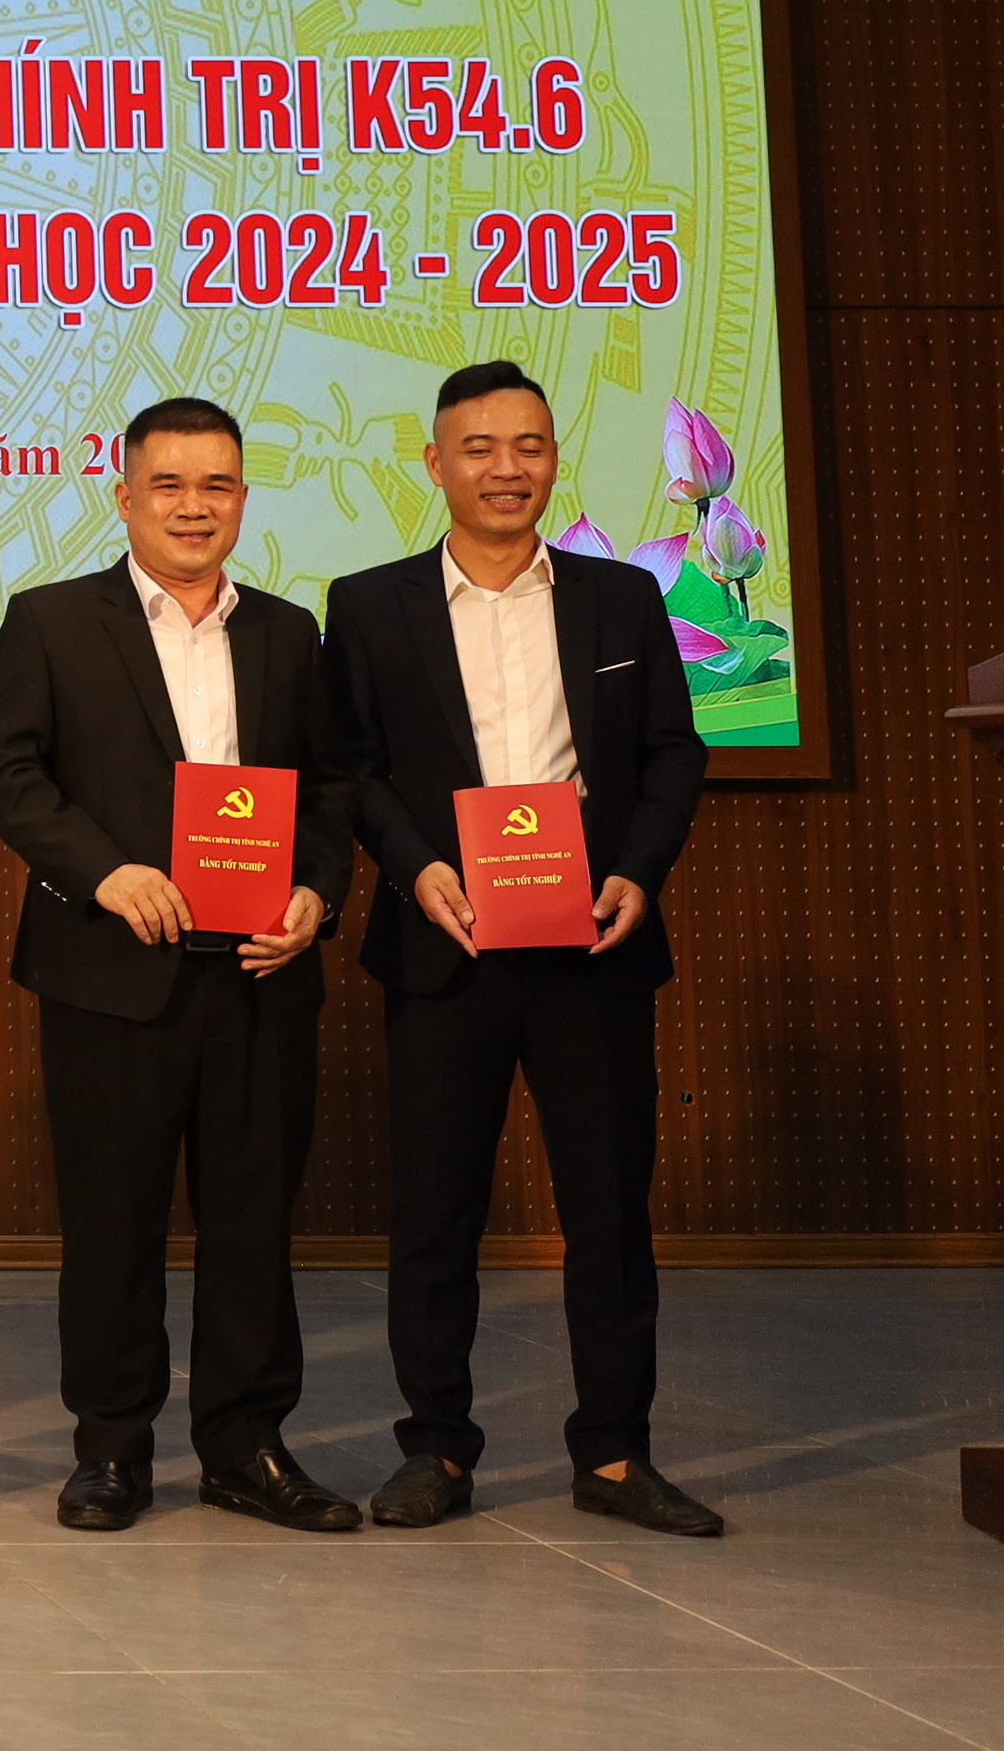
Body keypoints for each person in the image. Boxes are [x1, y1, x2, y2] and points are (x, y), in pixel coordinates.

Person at [325, 360, 718, 1537]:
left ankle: (614, 1451)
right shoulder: (369, 603)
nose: (507, 468)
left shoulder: (618, 596)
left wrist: (635, 871)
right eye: (480, 447)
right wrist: (413, 867)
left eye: (529, 445)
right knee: (433, 1214)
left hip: (590, 942)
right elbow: (350, 767)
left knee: (607, 1210)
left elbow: (671, 752)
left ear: (552, 458)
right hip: (443, 942)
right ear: (434, 462)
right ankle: (434, 1447)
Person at [0, 395, 360, 1533]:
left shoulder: (285, 630)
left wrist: (316, 892)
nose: (195, 506)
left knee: (253, 1222)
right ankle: (109, 1448)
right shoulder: (50, 619)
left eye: (217, 485)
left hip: (259, 971)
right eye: (170, 485)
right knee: (112, 1223)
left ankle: (246, 1444)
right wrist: (105, 872)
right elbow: (8, 770)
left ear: (241, 497)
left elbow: (331, 786)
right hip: (111, 972)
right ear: (125, 496)